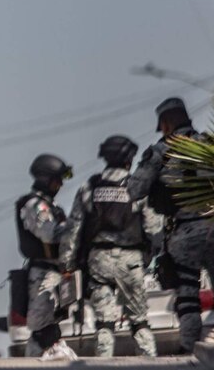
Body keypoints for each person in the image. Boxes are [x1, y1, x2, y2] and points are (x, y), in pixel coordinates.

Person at [127, 97, 214, 354]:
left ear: (166, 124)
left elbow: (134, 190)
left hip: (184, 231)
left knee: (187, 293)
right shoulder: (211, 144)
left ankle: (189, 348)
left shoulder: (160, 152)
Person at [59, 135, 158, 357]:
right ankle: (152, 365)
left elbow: (73, 230)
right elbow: (153, 227)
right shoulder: (138, 188)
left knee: (104, 324)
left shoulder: (89, 188)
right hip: (131, 261)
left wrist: (67, 263)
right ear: (129, 159)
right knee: (139, 322)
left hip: (99, 261)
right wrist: (149, 256)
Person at [15, 154, 78, 360]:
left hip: (56, 271)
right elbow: (49, 233)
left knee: (49, 323)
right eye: (56, 179)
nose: (60, 184)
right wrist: (77, 226)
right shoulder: (34, 205)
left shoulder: (52, 206)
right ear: (45, 179)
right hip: (43, 273)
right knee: (42, 326)